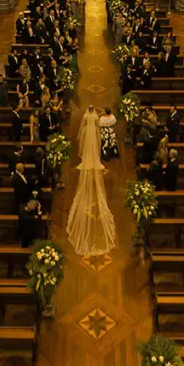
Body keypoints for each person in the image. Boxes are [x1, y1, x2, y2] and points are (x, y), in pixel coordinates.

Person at [66, 106, 117, 256]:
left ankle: (92, 158)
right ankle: (92, 158)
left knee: (92, 149)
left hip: (91, 133)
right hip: (90, 133)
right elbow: (89, 125)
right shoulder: (92, 116)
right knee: (91, 149)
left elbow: (91, 125)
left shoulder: (90, 116)